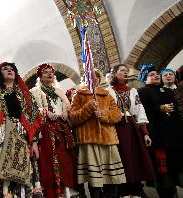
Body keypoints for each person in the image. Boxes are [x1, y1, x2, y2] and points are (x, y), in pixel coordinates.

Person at [0, 62, 43, 198]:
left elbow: (34, 118)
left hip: (22, 135)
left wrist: (34, 142)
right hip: (1, 135)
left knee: (23, 167)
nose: (9, 70)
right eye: (5, 69)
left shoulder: (25, 94)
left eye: (12, 69)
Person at [69, 69, 126, 198]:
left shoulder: (106, 95)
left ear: (99, 79)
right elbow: (73, 118)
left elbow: (117, 115)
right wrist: (88, 107)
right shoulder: (78, 95)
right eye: (90, 77)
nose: (94, 79)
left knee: (111, 177)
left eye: (96, 77)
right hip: (89, 140)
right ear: (85, 79)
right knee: (94, 179)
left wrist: (104, 115)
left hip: (108, 139)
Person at [107, 64, 155, 198]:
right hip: (116, 128)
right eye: (122, 70)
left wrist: (145, 133)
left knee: (136, 157)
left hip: (132, 128)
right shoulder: (108, 92)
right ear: (115, 73)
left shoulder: (133, 91)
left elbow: (139, 111)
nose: (126, 72)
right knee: (122, 158)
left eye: (127, 71)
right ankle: (123, 190)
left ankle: (137, 188)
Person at [30, 63, 77, 198]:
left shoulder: (59, 91)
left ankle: (70, 190)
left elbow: (66, 106)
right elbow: (33, 110)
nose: (50, 74)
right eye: (46, 72)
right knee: (52, 159)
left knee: (66, 159)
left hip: (63, 129)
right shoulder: (35, 92)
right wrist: (45, 112)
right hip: (47, 130)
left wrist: (65, 112)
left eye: (51, 72)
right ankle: (58, 191)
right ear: (40, 76)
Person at [138, 64, 183, 198]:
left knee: (175, 170)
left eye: (157, 74)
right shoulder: (142, 92)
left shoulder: (168, 91)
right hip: (157, 138)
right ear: (145, 79)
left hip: (173, 138)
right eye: (151, 75)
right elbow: (142, 113)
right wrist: (159, 109)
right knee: (163, 175)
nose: (156, 75)